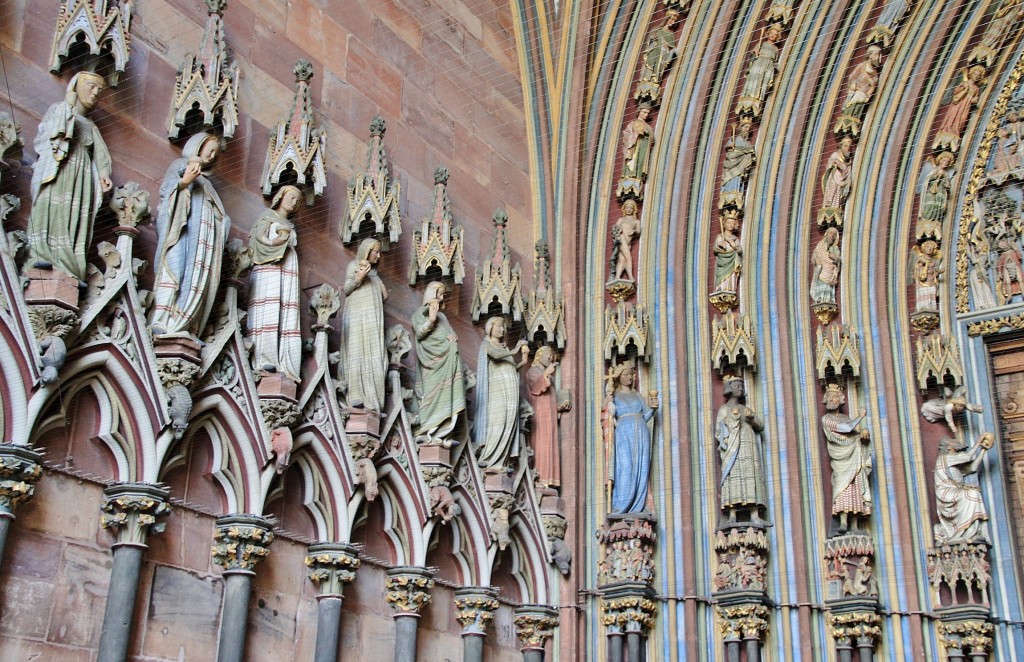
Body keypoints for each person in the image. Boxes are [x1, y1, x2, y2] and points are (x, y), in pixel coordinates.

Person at [27, 72, 112, 282]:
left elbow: (101, 156)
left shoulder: (92, 127)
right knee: (51, 208)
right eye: (91, 86)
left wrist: (103, 174)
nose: (94, 94)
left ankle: (69, 264)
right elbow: (50, 135)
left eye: (99, 91)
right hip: (59, 169)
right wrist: (68, 105)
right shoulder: (59, 109)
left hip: (82, 179)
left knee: (75, 217)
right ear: (76, 86)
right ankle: (41, 255)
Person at [151, 132, 229, 338]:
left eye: (216, 153)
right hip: (181, 234)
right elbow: (167, 191)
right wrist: (185, 181)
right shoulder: (180, 165)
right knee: (174, 270)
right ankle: (162, 319)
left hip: (200, 245)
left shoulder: (208, 185)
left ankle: (184, 323)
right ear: (198, 146)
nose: (212, 156)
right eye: (209, 149)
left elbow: (219, 216)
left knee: (195, 279)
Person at [248, 185, 303, 381]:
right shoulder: (267, 217)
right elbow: (257, 242)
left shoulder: (289, 225)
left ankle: (285, 361)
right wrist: (276, 242)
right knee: (268, 309)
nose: (294, 202)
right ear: (280, 197)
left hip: (287, 271)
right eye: (291, 197)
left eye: (297, 200)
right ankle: (264, 357)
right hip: (269, 269)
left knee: (285, 313)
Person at [412, 282, 465, 444]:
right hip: (432, 362)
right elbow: (420, 333)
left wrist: (453, 338)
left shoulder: (443, 317)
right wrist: (431, 320)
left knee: (446, 395)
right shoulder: (420, 313)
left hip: (447, 363)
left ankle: (442, 432)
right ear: (430, 294)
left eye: (442, 295)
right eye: (439, 294)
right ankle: (426, 429)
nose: (441, 298)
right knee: (431, 394)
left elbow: (451, 333)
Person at [339, 238, 389, 412]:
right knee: (357, 349)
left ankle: (372, 397)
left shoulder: (375, 275)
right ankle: (355, 394)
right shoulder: (354, 266)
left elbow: (384, 295)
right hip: (358, 317)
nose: (379, 255)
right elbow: (346, 289)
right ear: (367, 251)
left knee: (375, 353)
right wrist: (359, 277)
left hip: (373, 321)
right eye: (376, 251)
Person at [474, 317, 529, 473]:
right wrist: (515, 349)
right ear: (490, 327)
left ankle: (501, 460)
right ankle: (490, 459)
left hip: (509, 395)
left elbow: (510, 368)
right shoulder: (487, 344)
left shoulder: (504, 349)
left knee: (508, 424)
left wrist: (523, 362)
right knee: (498, 422)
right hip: (496, 395)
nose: (503, 330)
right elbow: (496, 355)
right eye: (499, 326)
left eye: (504, 327)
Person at [715, 376, 768, 525]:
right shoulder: (724, 410)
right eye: (738, 386)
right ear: (729, 388)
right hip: (733, 451)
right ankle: (732, 514)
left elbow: (760, 425)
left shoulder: (745, 409)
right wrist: (732, 419)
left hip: (748, 449)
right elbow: (719, 431)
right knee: (734, 479)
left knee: (751, 478)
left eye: (742, 386)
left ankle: (754, 515)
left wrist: (751, 418)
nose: (741, 389)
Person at [606, 363, 658, 514]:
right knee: (625, 467)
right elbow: (608, 416)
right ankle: (620, 506)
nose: (629, 377)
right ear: (619, 377)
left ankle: (638, 506)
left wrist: (653, 409)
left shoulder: (638, 395)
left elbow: (646, 416)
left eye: (631, 374)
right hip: (623, 432)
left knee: (641, 468)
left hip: (641, 431)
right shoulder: (614, 395)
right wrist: (608, 407)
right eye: (625, 375)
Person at [821, 384, 872, 533]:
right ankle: (843, 523)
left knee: (855, 488)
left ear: (841, 399)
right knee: (842, 489)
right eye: (829, 396)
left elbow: (853, 434)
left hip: (853, 456)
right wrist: (861, 416)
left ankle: (855, 525)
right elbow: (846, 429)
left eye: (835, 396)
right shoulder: (827, 418)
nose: (831, 399)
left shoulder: (845, 417)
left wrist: (863, 435)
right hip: (840, 459)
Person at [934, 434, 995, 545]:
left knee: (974, 493)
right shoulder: (945, 458)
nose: (957, 442)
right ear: (948, 447)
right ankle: (965, 533)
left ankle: (971, 533)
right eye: (953, 441)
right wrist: (978, 442)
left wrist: (983, 449)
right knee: (971, 494)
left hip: (954, 491)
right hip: (946, 493)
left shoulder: (954, 463)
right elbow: (968, 457)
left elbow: (972, 467)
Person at [526, 346, 562, 489]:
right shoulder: (533, 371)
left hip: (550, 416)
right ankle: (540, 477)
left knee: (550, 443)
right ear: (538, 355)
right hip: (540, 415)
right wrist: (546, 374)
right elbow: (536, 388)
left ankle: (549, 478)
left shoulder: (548, 376)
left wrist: (560, 406)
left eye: (552, 356)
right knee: (542, 443)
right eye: (547, 355)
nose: (550, 358)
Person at [811, 227, 841, 305]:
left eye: (834, 234)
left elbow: (838, 263)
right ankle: (820, 299)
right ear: (826, 234)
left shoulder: (835, 249)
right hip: (822, 272)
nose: (832, 236)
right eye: (831, 233)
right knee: (821, 287)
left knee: (828, 289)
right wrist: (817, 259)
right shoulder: (820, 245)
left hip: (830, 274)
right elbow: (814, 256)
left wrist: (836, 258)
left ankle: (828, 299)